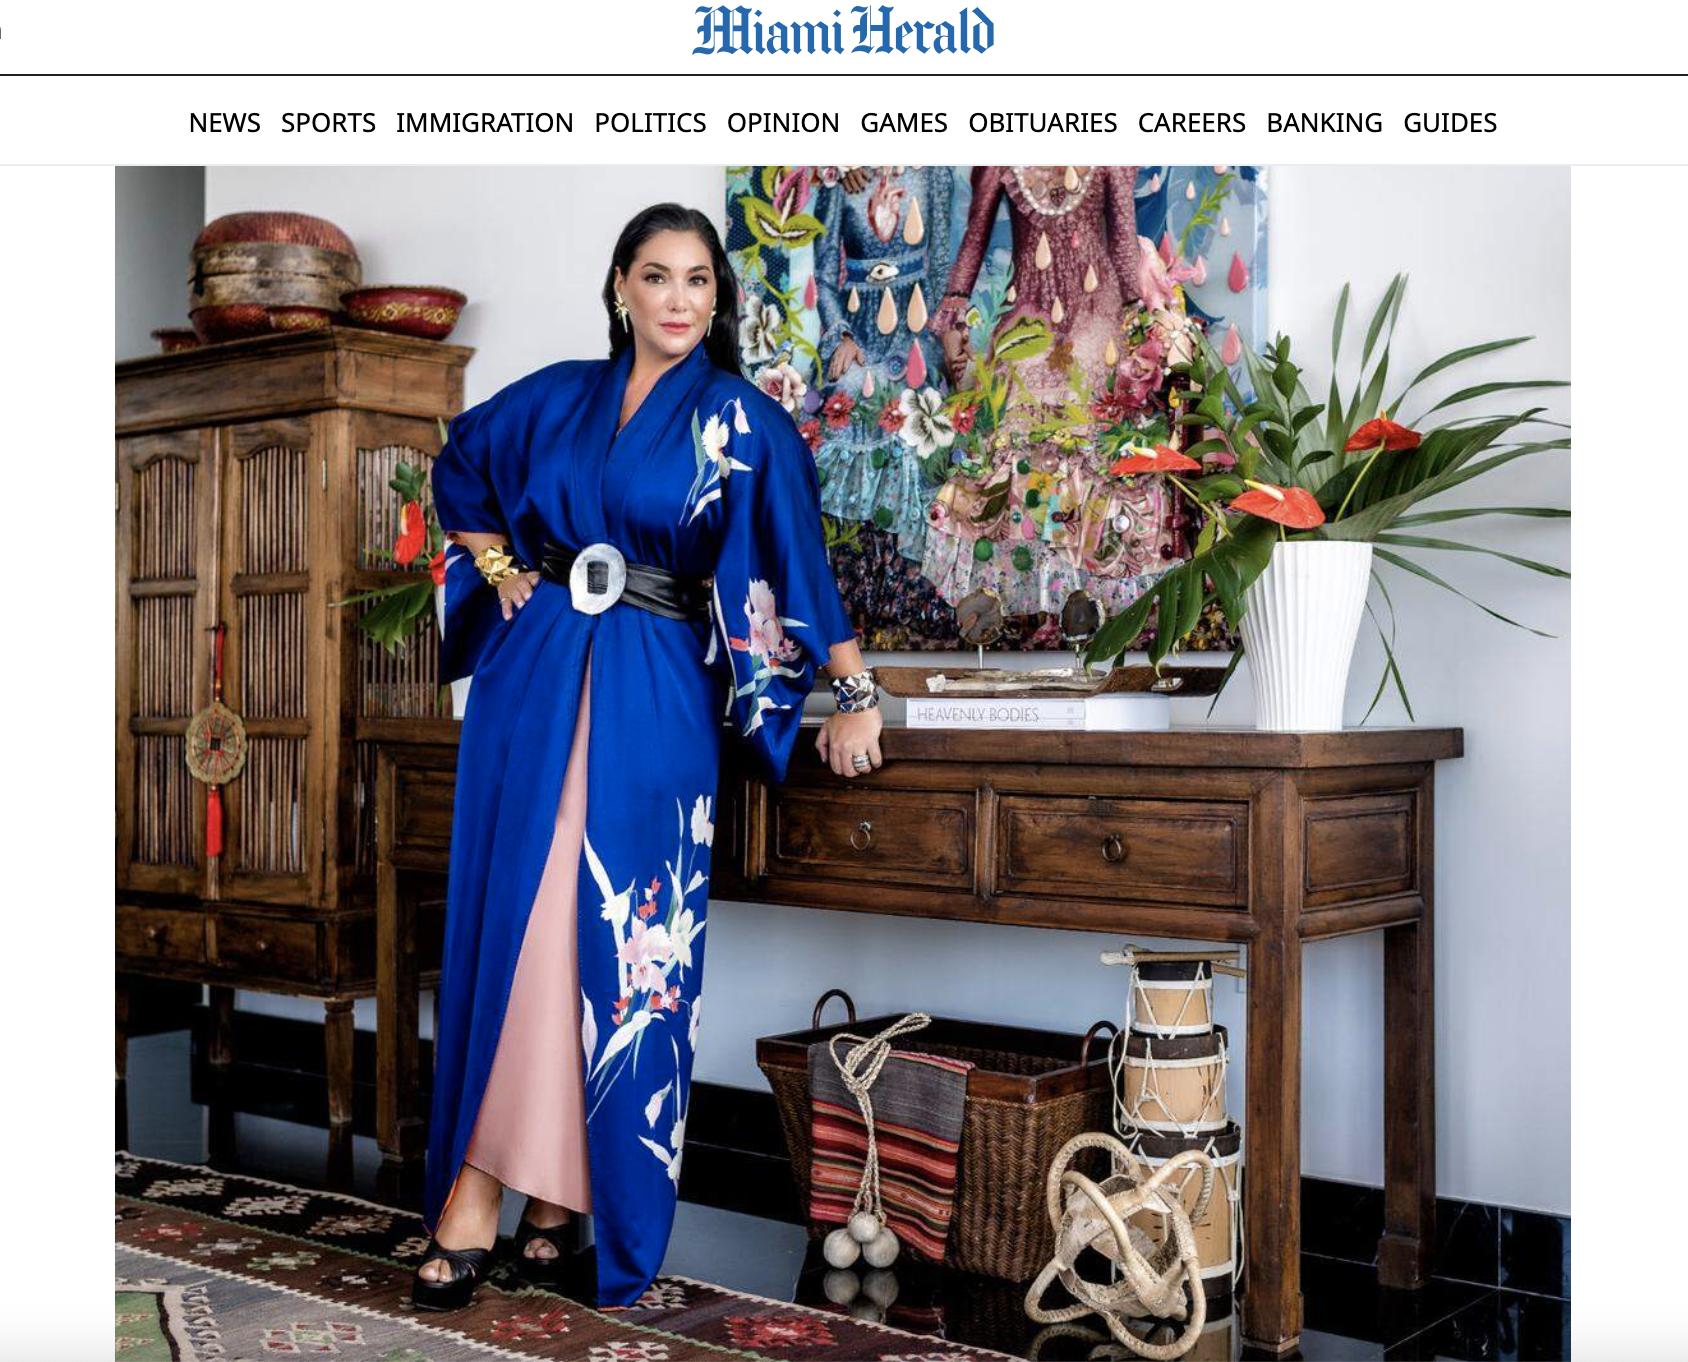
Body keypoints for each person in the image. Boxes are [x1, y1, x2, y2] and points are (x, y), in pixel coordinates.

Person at [413, 202, 885, 1312]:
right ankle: (497, 1189)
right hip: (534, 678)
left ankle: (546, 1193)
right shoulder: (556, 397)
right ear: (620, 286)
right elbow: (460, 463)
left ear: (717, 300)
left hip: (654, 689)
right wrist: (498, 569)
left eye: (699, 281)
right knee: (520, 922)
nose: (680, 298)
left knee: (612, 946)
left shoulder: (742, 422)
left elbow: (797, 564)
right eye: (658, 276)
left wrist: (856, 693)